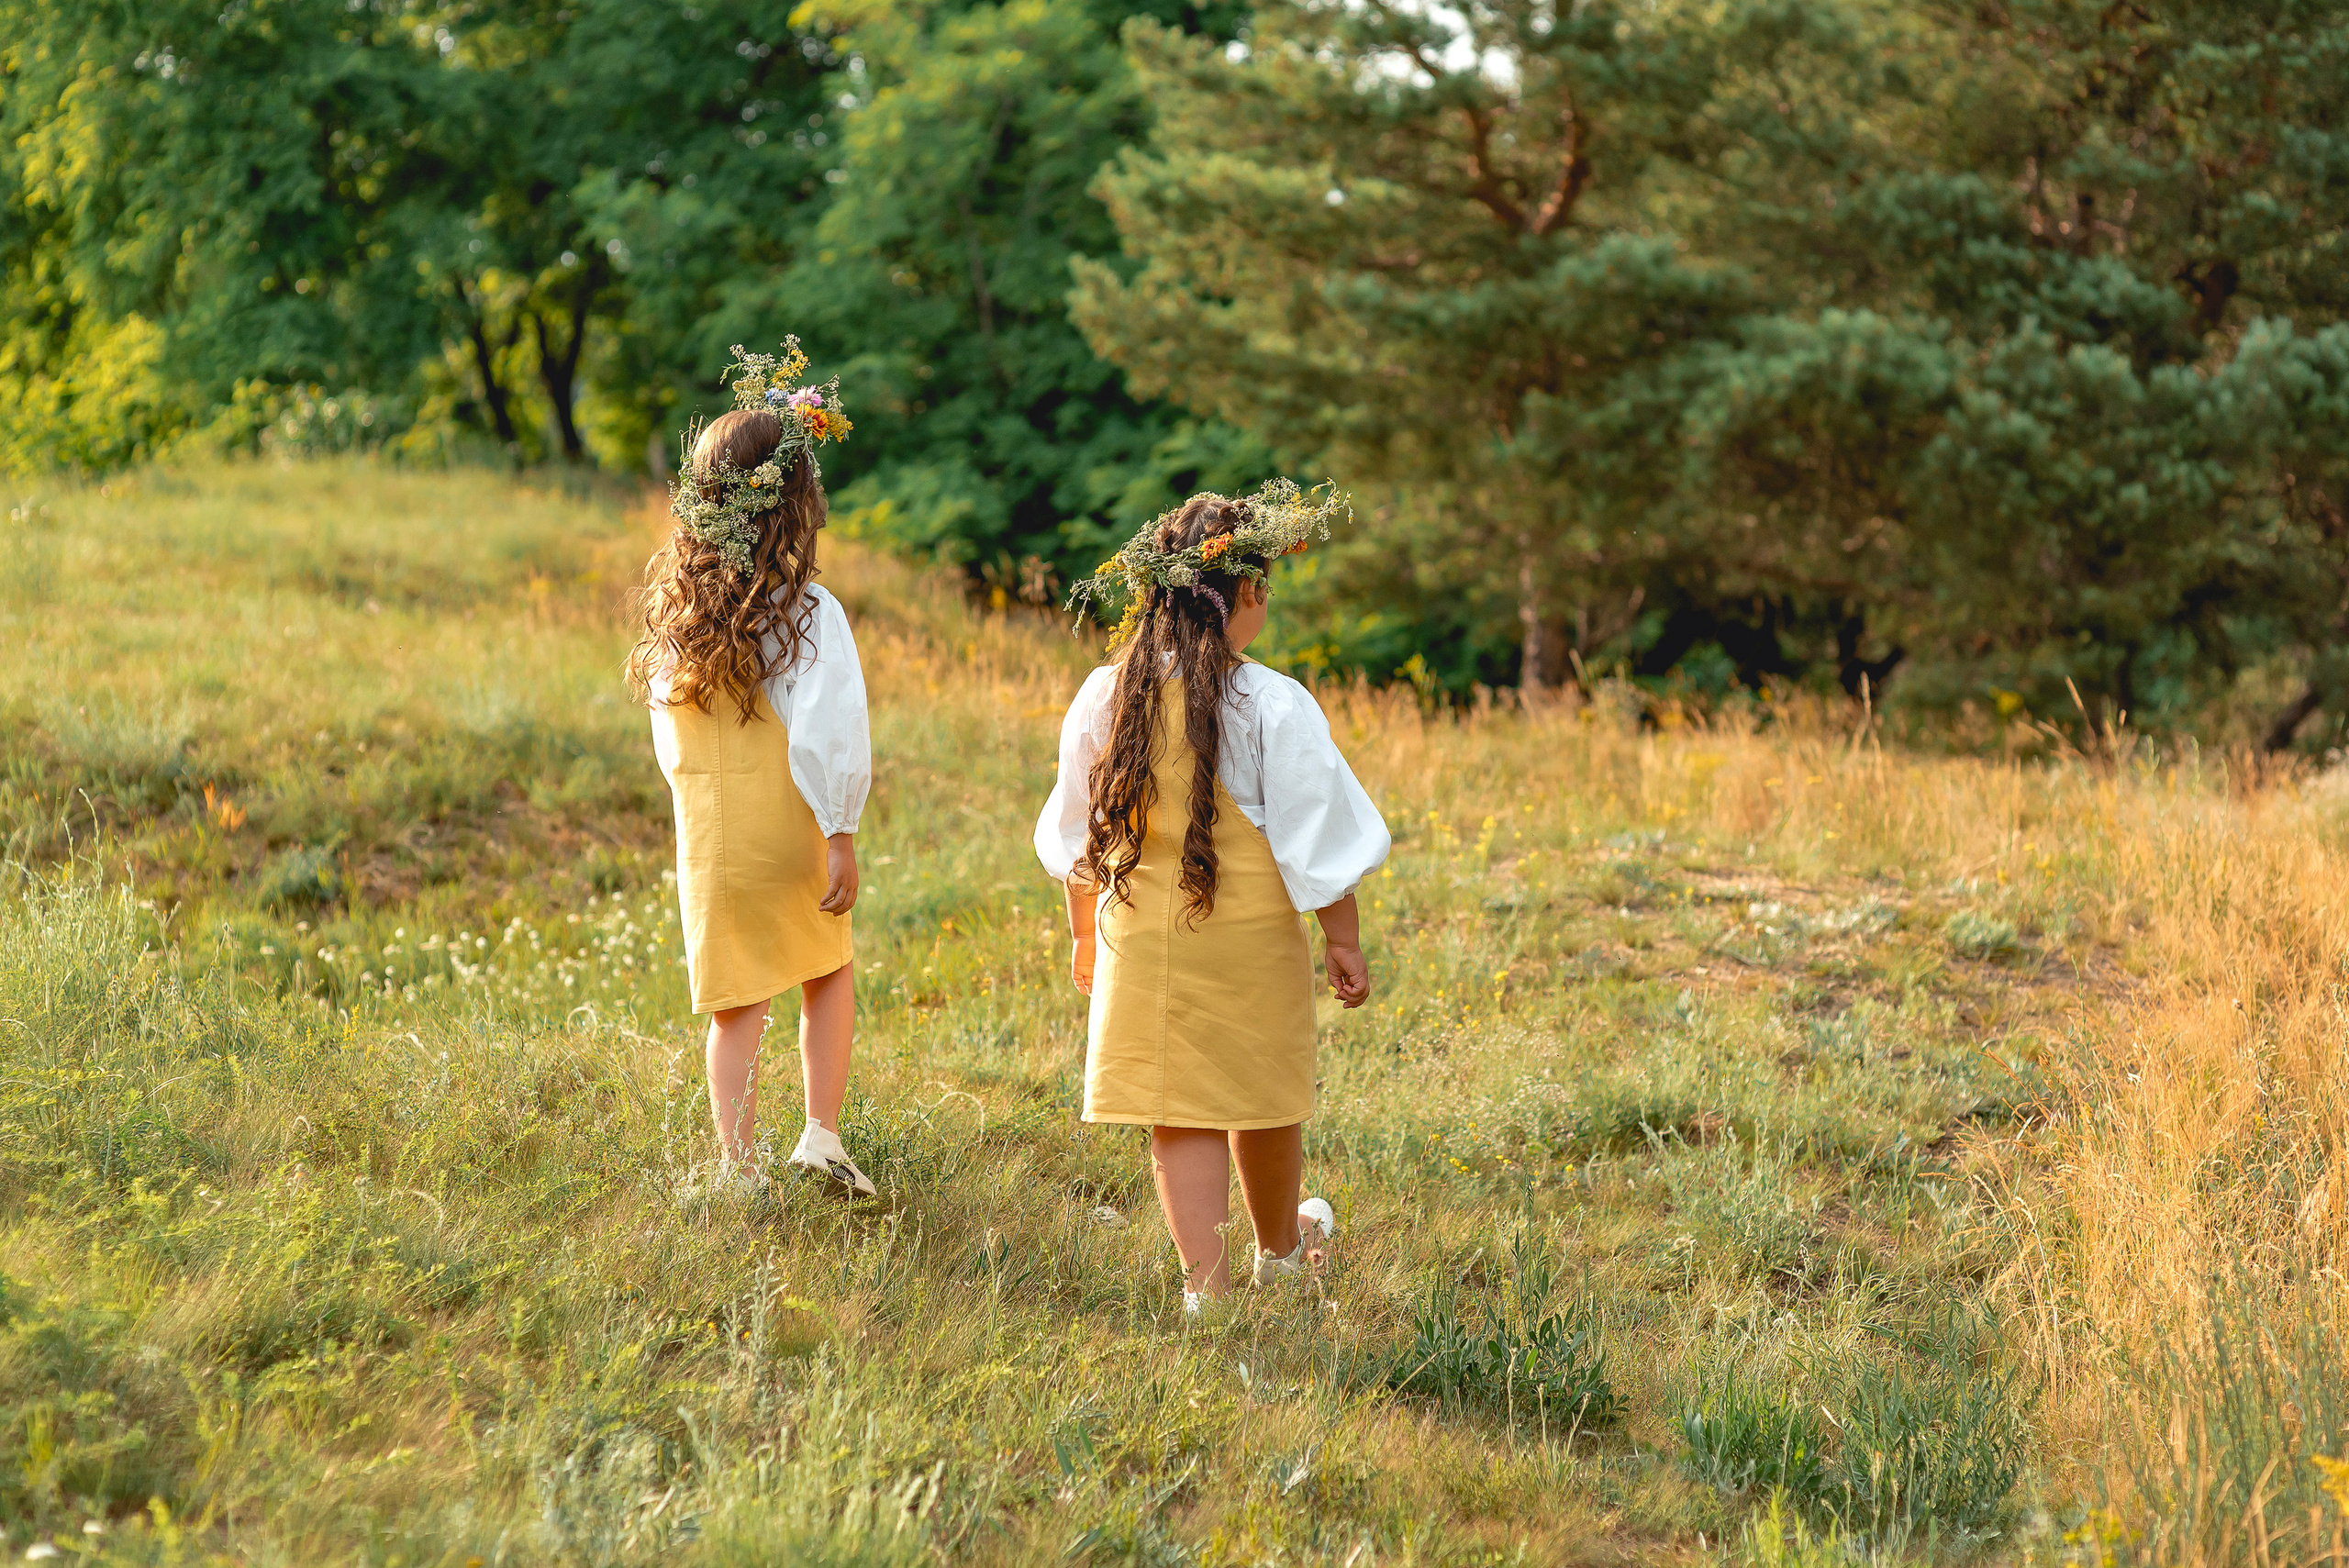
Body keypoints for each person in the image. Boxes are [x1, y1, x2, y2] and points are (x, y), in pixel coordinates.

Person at [1034, 481, 1390, 1313]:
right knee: (1262, 1096)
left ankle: (1207, 1287)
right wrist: (1343, 940)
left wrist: (1084, 932)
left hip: (1141, 939)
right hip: (1247, 940)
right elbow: (1320, 839)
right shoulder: (1270, 702)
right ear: (1251, 594)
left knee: (1178, 1109)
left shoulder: (1105, 694)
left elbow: (1078, 834)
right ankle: (1281, 1253)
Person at [627, 339, 876, 1199]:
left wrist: (696, 801)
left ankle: (735, 1165)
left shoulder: (678, 618)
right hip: (790, 823)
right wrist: (839, 829)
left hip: (710, 830)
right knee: (826, 968)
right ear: (793, 507)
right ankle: (820, 1133)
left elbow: (671, 738)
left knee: (737, 1004)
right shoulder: (806, 613)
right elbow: (826, 731)